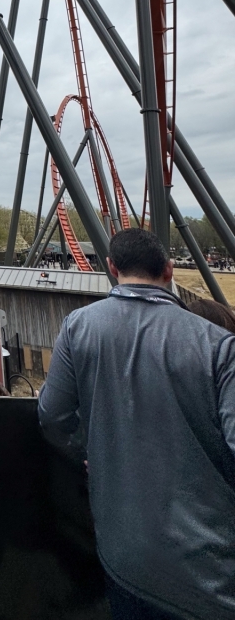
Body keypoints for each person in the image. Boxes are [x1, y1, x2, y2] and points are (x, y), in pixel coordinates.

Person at [39, 228, 235, 620]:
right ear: (168, 270)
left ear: (111, 267)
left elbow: (52, 416)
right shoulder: (218, 344)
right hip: (208, 569)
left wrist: (88, 451)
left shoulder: (78, 326)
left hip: (123, 556)